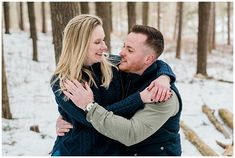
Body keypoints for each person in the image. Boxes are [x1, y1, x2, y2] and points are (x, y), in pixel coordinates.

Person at [50, 14, 176, 156]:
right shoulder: (62, 81)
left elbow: (150, 61)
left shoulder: (111, 65)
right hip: (75, 150)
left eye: (103, 40)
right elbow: (94, 121)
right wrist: (138, 98)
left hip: (111, 151)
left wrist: (164, 76)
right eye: (97, 42)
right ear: (80, 44)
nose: (104, 47)